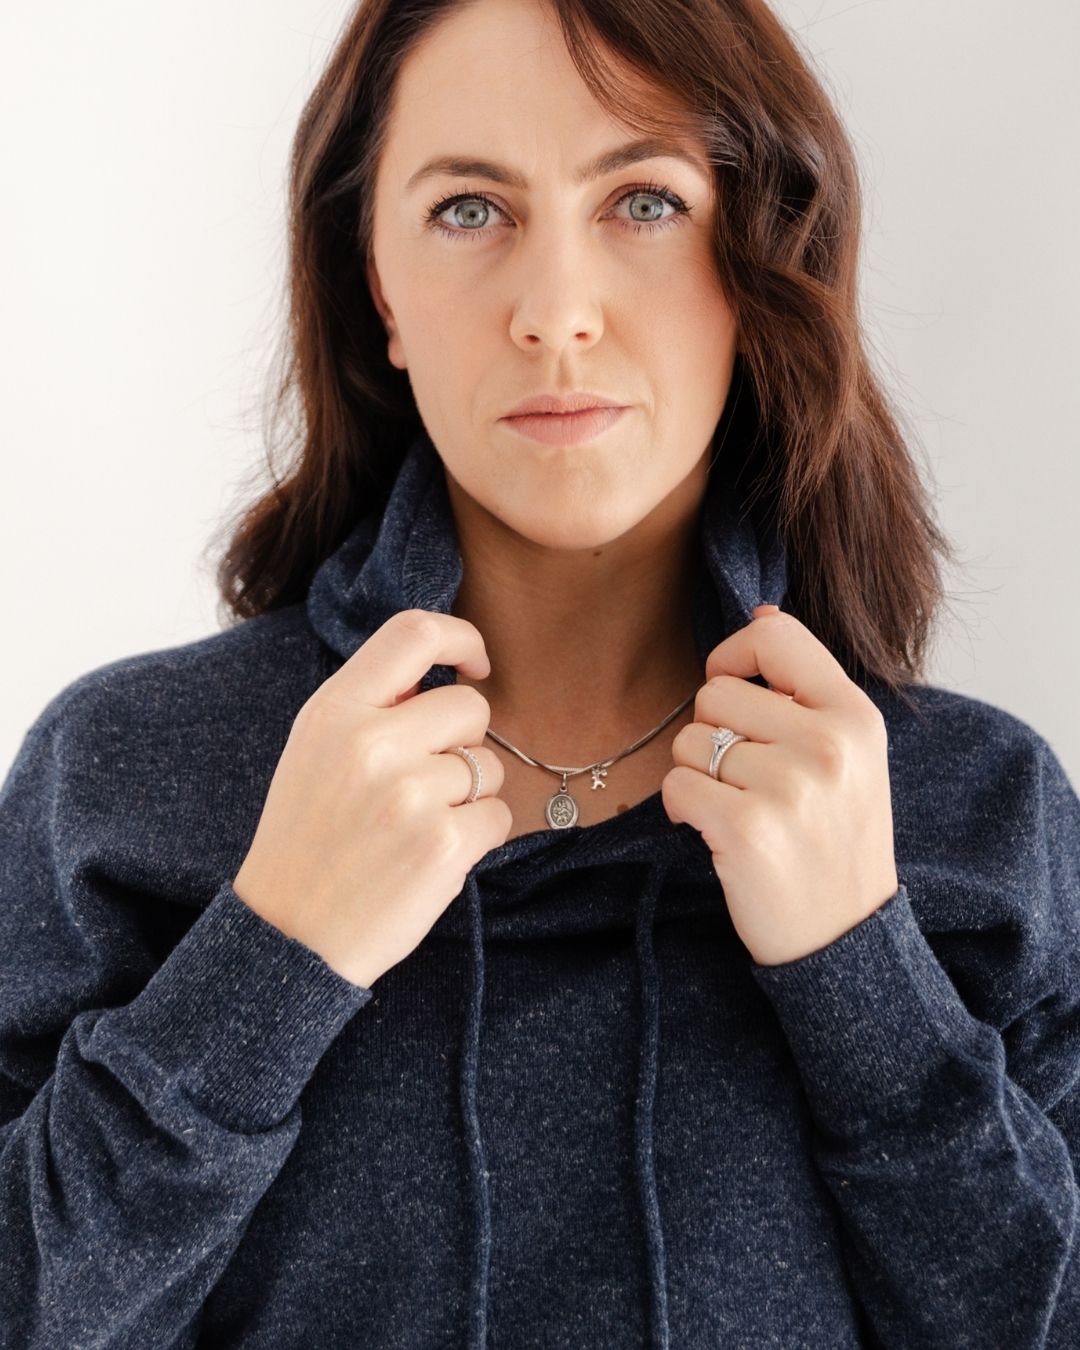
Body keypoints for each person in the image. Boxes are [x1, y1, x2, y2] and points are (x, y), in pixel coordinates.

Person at [2, 0, 1078, 1345]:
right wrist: (268, 960)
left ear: (758, 254)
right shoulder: (118, 778)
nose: (556, 314)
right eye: (467, 209)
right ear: (376, 287)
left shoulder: (982, 811)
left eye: (643, 200)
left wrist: (867, 984)